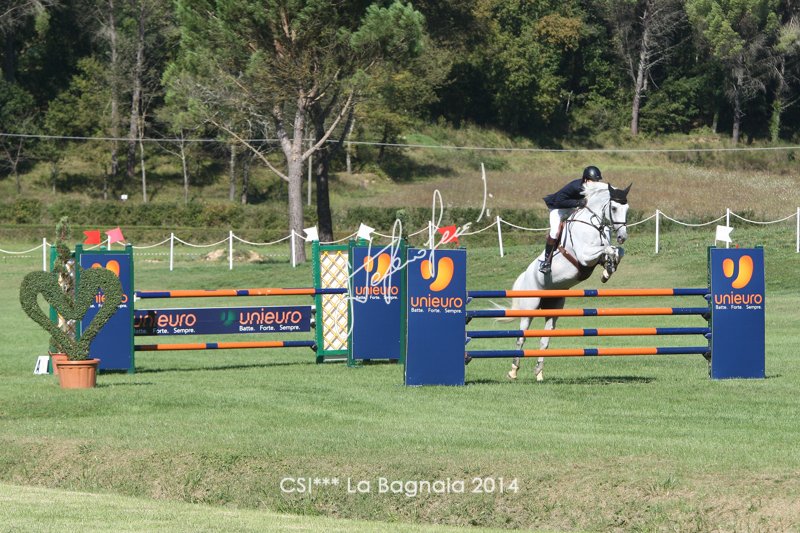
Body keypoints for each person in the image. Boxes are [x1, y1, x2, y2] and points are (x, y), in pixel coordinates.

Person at [538, 165, 603, 274]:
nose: (595, 184)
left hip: (573, 207)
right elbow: (559, 201)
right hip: (558, 208)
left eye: (597, 181)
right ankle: (546, 261)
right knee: (555, 232)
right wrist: (577, 202)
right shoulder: (574, 186)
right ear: (585, 179)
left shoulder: (593, 188)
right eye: (593, 181)